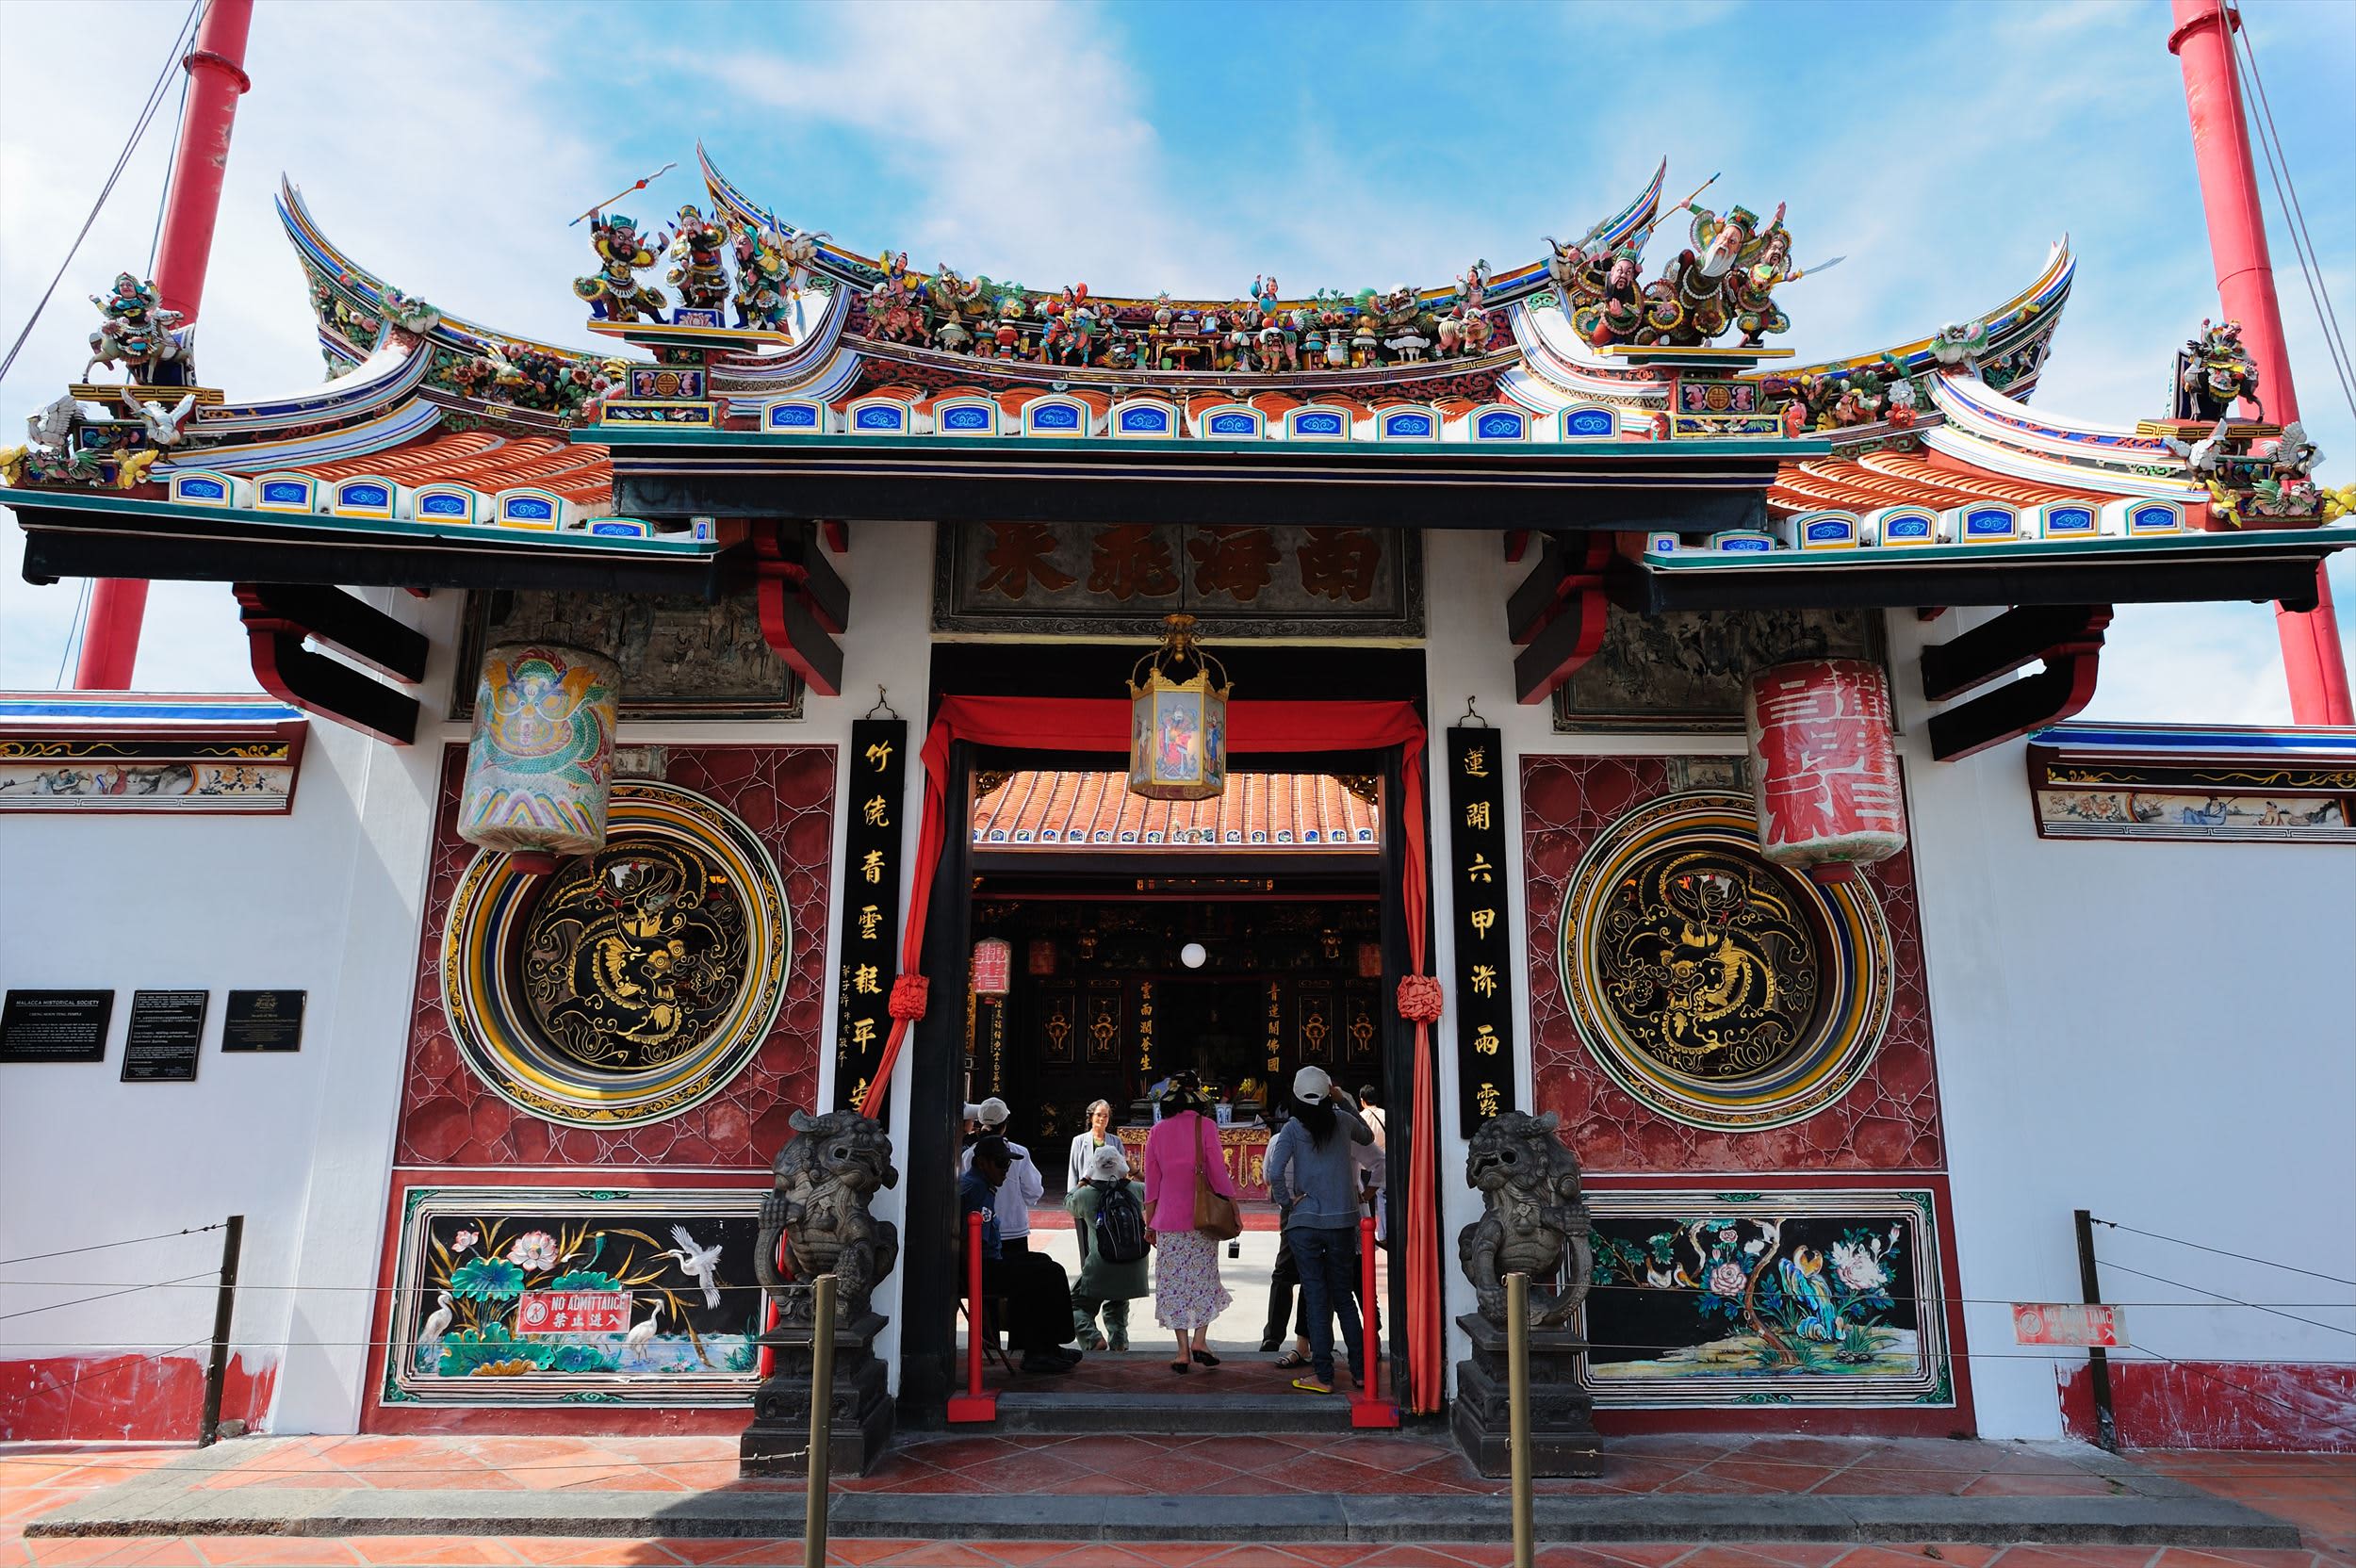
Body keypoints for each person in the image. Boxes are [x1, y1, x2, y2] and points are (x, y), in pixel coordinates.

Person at [1263, 1065, 1372, 1395]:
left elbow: (1275, 1170)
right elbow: (1366, 1136)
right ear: (1329, 1094)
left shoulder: (1294, 1128)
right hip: (1343, 1221)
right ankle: (1361, 1372)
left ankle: (1323, 1375)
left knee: (1316, 1297)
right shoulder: (1342, 1120)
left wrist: (1287, 1203)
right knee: (1344, 1298)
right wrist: (1345, 1101)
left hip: (1306, 1222)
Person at [959, 1135, 1083, 1375]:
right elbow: (968, 1242)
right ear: (982, 1162)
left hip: (986, 1260)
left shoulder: (980, 1184)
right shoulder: (976, 1190)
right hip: (978, 1267)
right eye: (1001, 1163)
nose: (1006, 1170)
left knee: (1043, 1263)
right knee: (1046, 1274)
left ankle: (1047, 1346)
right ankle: (1038, 1351)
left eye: (1008, 1164)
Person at [1141, 1071, 1236, 1376]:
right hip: (1201, 1217)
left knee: (1174, 1284)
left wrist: (1149, 1223)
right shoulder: (1206, 1127)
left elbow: (1151, 1185)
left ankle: (1182, 1351)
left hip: (1167, 1219)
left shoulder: (1156, 1132)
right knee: (1204, 1278)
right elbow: (1218, 1173)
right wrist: (1232, 1205)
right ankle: (1200, 1341)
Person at [1067, 1142, 1149, 1351]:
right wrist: (1136, 1171)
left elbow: (1069, 1202)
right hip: (1134, 1265)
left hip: (1101, 1264)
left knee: (1074, 1305)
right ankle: (1119, 1344)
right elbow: (1159, 1190)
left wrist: (1083, 1180)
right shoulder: (1137, 1190)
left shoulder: (1085, 1195)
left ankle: (1093, 1338)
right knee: (1118, 1303)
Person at [959, 1098, 1043, 1256]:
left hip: (981, 1230)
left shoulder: (968, 1155)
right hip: (1012, 1229)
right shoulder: (1020, 1152)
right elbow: (1034, 1191)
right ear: (1004, 1124)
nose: (1004, 1171)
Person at [1067, 1099, 1117, 1193]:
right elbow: (1073, 1171)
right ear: (1090, 1117)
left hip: (1109, 1193)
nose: (1102, 1119)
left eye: (1106, 1116)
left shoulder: (1116, 1141)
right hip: (1085, 1192)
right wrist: (1071, 1195)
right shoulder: (1078, 1141)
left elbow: (1121, 1169)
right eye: (1098, 1115)